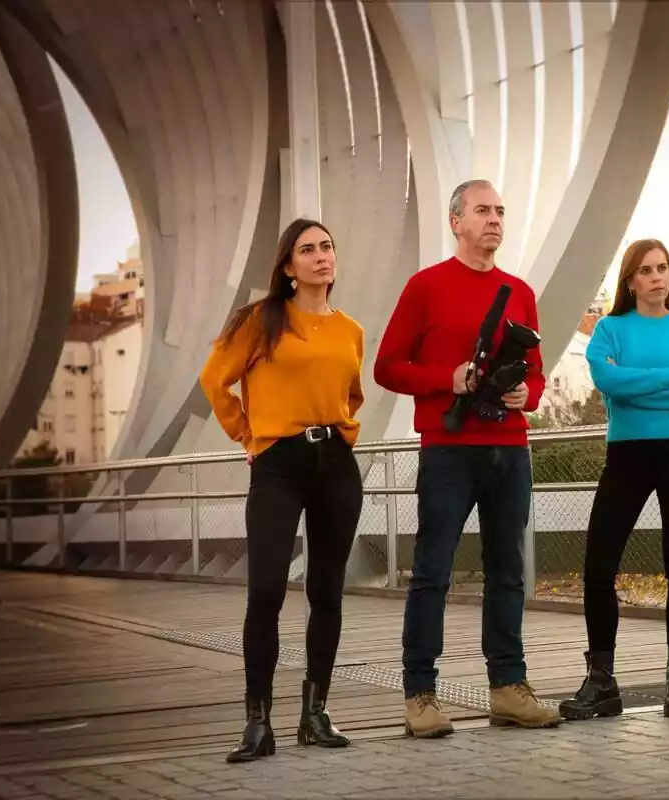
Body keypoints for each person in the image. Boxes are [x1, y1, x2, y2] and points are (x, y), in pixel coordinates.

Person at [374, 178, 562, 737]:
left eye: (500, 211)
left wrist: (529, 393)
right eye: (483, 211)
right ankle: (421, 696)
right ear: (456, 221)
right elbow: (387, 366)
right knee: (432, 572)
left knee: (509, 571)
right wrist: (447, 380)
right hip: (449, 450)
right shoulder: (425, 287)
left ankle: (508, 688)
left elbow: (535, 372)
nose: (495, 220)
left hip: (510, 448)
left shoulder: (520, 291)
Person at [200, 219, 367, 762]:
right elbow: (213, 379)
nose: (321, 256)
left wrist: (342, 431)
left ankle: (315, 714)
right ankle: (258, 723)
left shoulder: (351, 330)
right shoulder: (261, 320)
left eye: (327, 246)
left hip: (335, 465)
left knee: (327, 591)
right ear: (288, 266)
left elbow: (353, 395)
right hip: (278, 463)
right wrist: (247, 433)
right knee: (267, 590)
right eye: (307, 249)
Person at [558, 240, 669, 721]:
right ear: (630, 281)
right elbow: (611, 385)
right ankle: (603, 683)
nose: (656, 277)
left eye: (662, 268)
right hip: (626, 457)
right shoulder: (609, 329)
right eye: (645, 270)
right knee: (599, 567)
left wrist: (641, 387)